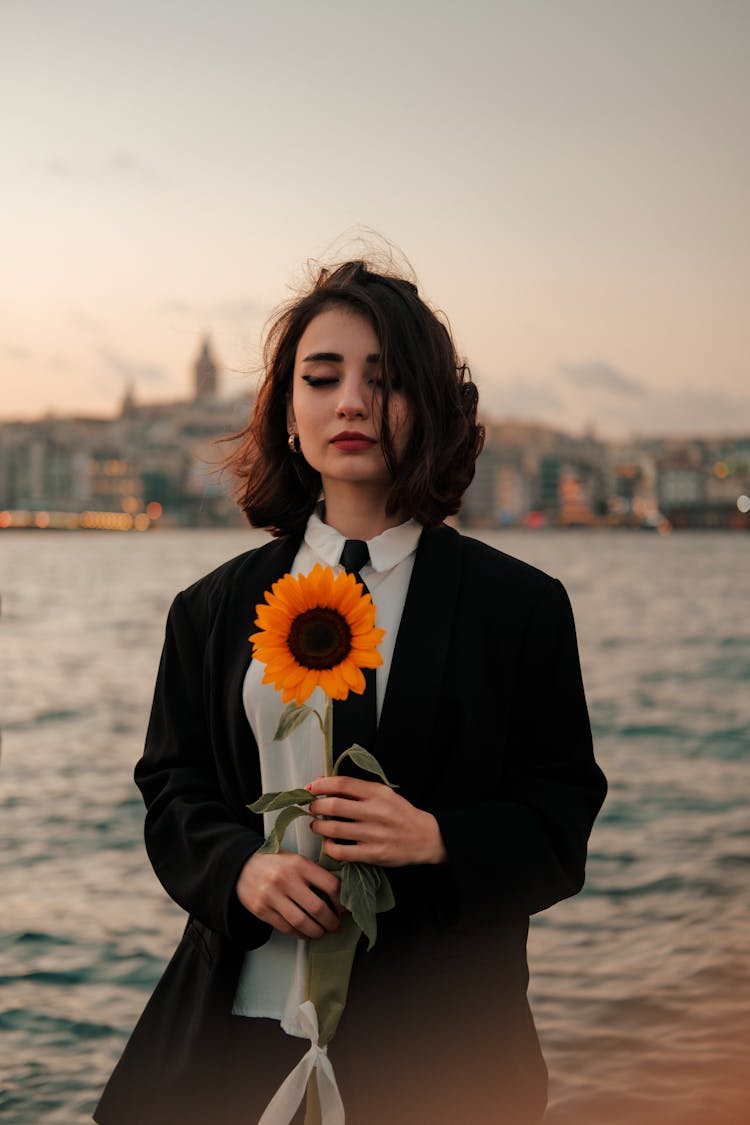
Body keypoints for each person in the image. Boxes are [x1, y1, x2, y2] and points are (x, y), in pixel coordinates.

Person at [94, 259, 607, 1125]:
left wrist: (439, 838)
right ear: (287, 413)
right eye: (321, 377)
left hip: (441, 1054)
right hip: (231, 1045)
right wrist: (239, 870)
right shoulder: (212, 609)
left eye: (387, 379)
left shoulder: (519, 608)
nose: (351, 403)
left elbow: (562, 817)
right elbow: (171, 789)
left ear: (432, 409)